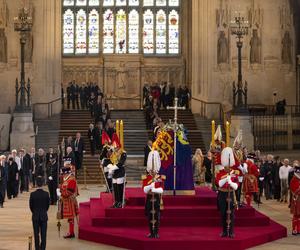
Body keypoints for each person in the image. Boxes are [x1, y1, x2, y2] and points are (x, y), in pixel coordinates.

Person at [216, 147, 239, 238]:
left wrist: (231, 183)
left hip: (231, 193)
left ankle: (232, 231)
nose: (227, 167)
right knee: (223, 213)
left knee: (231, 213)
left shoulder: (234, 172)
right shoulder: (220, 173)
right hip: (222, 194)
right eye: (225, 166)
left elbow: (236, 186)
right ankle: (224, 231)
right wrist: (226, 178)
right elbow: (219, 184)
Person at [142, 148, 164, 239]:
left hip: (157, 199)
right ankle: (151, 232)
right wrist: (150, 186)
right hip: (149, 199)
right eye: (151, 170)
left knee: (157, 216)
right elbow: (144, 190)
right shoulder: (146, 177)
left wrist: (154, 189)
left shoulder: (161, 177)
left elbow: (162, 190)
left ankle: (156, 232)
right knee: (150, 216)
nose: (153, 171)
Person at [57, 162, 79, 239]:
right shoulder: (66, 178)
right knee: (70, 218)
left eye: (62, 174)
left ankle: (71, 232)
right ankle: (71, 232)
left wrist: (61, 194)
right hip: (66, 201)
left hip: (70, 201)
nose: (61, 175)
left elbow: (69, 192)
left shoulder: (71, 179)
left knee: (71, 217)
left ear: (65, 173)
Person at [29, 176, 50, 250]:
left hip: (35, 216)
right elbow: (47, 206)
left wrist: (35, 212)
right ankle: (43, 248)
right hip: (44, 216)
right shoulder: (46, 194)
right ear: (42, 183)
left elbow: (31, 206)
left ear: (37, 184)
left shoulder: (32, 194)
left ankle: (37, 248)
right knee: (43, 235)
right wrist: (43, 211)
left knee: (36, 234)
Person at [108, 137, 127, 208]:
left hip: (120, 172)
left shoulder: (123, 153)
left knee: (120, 187)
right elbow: (111, 161)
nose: (115, 148)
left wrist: (114, 167)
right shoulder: (114, 154)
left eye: (116, 147)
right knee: (115, 188)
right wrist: (110, 166)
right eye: (114, 147)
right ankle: (116, 201)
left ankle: (121, 201)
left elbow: (121, 163)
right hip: (114, 173)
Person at [289, 161, 300, 235]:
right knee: (295, 215)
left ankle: (298, 229)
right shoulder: (293, 180)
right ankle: (294, 230)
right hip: (296, 200)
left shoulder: (298, 179)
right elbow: (294, 191)